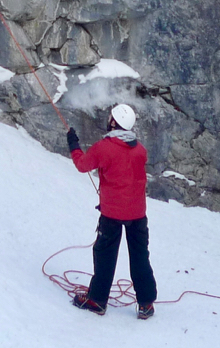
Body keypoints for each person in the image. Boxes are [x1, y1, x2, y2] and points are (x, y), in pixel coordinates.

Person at [66, 104, 158, 320]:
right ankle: (146, 304)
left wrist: (73, 144)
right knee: (140, 257)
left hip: (112, 214)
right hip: (138, 214)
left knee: (104, 254)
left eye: (111, 117)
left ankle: (97, 300)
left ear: (114, 122)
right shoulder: (140, 150)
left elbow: (82, 165)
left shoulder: (104, 147)